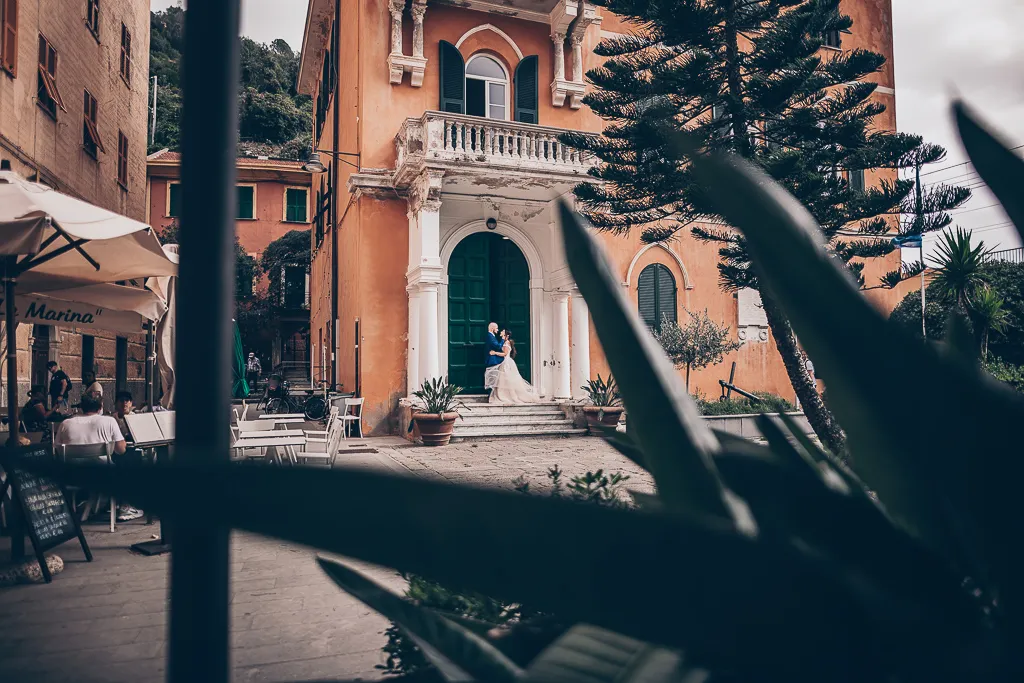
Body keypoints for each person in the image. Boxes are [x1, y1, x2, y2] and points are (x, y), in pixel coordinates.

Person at [54, 394, 143, 522]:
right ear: (101, 407)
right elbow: (121, 450)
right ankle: (125, 505)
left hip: (72, 475)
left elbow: (57, 450)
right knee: (129, 462)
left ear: (81, 407)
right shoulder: (108, 421)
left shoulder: (65, 423)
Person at [488, 329, 540, 404]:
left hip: (507, 363)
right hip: (506, 362)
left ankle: (509, 395)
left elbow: (505, 354)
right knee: (504, 380)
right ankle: (505, 394)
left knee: (507, 379)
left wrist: (494, 353)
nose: (501, 332)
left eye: (502, 331)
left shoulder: (506, 343)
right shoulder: (505, 342)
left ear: (506, 335)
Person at [483, 322, 504, 395]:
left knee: (493, 376)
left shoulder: (492, 336)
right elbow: (497, 346)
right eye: (496, 328)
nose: (497, 330)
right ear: (492, 328)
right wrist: (503, 340)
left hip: (493, 359)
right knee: (492, 376)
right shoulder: (490, 336)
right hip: (492, 360)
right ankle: (491, 394)